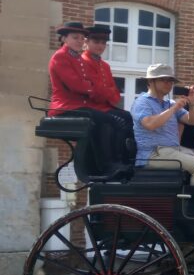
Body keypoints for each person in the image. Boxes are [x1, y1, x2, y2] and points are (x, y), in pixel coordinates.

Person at [47, 21, 133, 173]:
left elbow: (104, 89)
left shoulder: (76, 58)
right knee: (107, 119)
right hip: (66, 106)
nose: (79, 41)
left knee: (125, 118)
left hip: (81, 105)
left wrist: (91, 87)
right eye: (75, 38)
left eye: (81, 38)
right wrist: (92, 88)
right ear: (64, 39)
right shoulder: (61, 56)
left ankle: (122, 159)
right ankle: (106, 165)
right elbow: (77, 85)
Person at [131, 64, 194, 186]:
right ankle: (193, 204)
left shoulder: (170, 103)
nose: (168, 84)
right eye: (164, 80)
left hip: (172, 151)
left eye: (171, 81)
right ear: (151, 81)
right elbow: (150, 124)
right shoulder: (142, 102)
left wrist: (192, 104)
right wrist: (174, 108)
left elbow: (192, 121)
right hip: (153, 154)